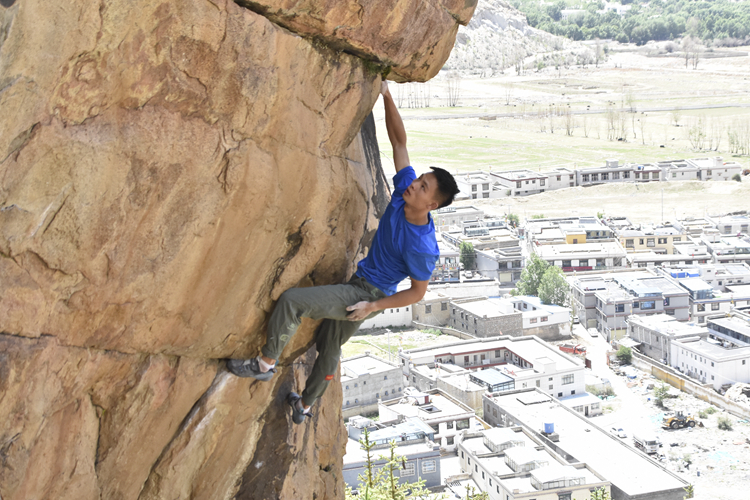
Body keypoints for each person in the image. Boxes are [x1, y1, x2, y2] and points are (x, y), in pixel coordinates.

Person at [226, 80, 459, 424]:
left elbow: (417, 293)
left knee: (292, 301)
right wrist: (386, 96)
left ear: (432, 204)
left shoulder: (422, 246)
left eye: (423, 186)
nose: (413, 184)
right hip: (361, 283)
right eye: (418, 179)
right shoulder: (403, 195)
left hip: (369, 294)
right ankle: (304, 407)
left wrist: (372, 306)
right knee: (330, 345)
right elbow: (399, 143)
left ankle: (264, 363)